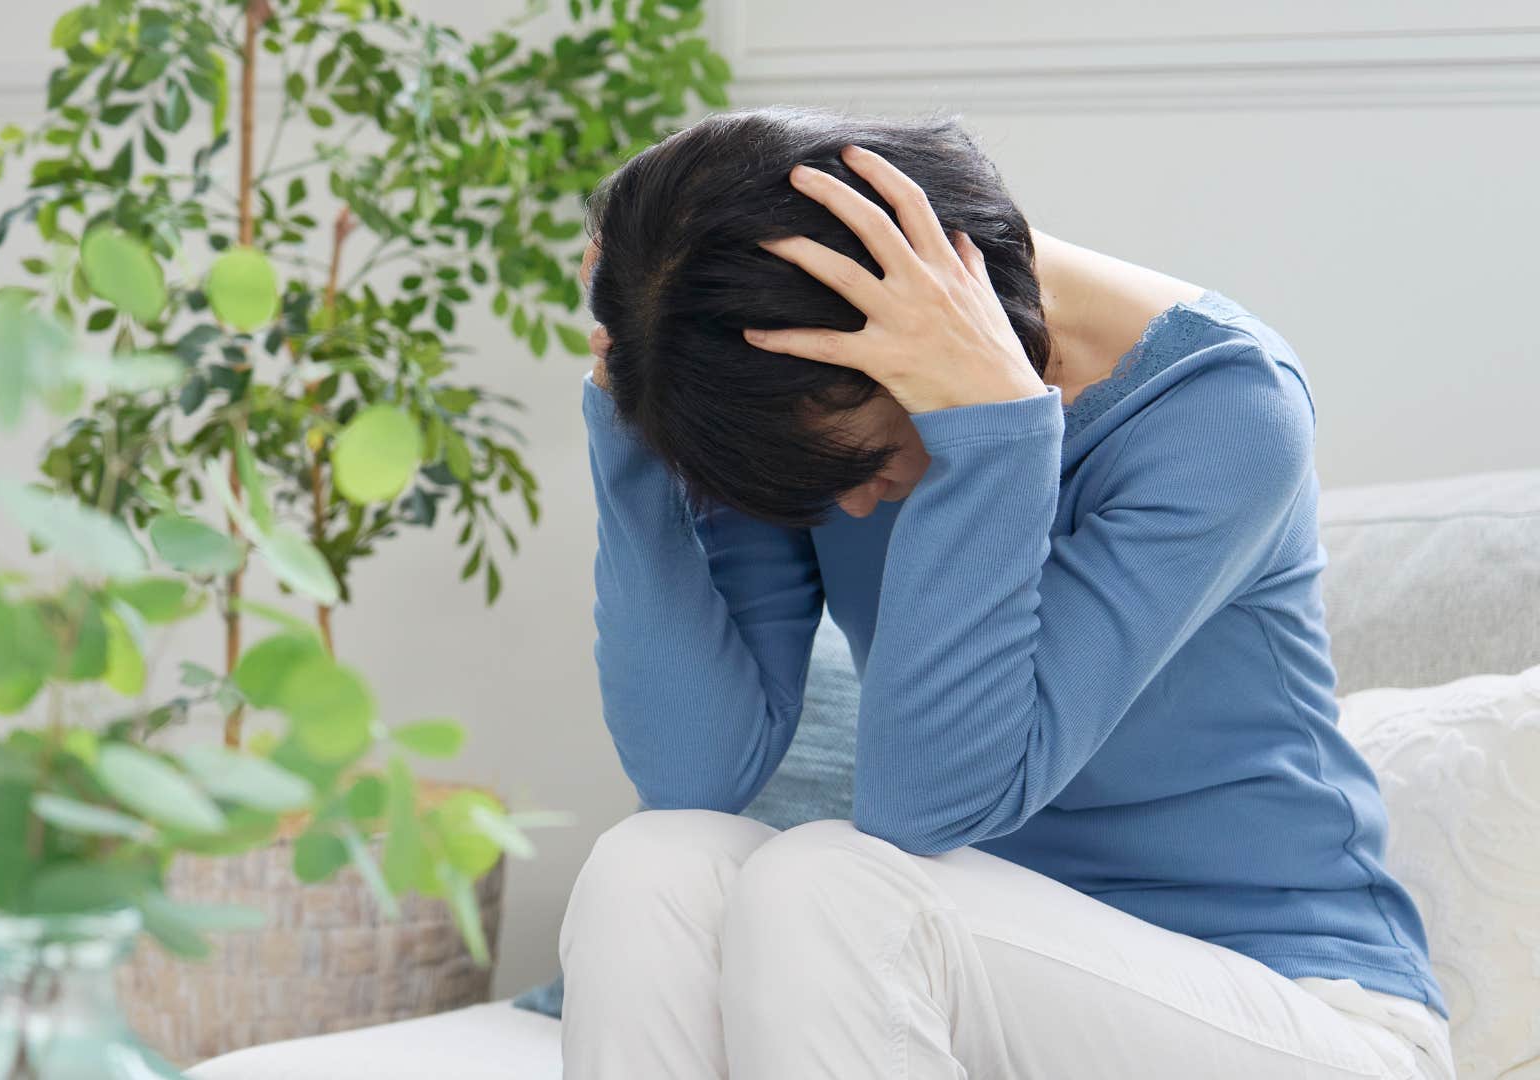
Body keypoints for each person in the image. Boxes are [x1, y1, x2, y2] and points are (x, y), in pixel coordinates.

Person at [560, 107, 1453, 1080]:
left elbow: (924, 810)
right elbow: (697, 776)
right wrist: (634, 422)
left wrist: (993, 436)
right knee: (652, 867)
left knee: (832, 882)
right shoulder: (797, 407)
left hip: (1293, 1011)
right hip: (951, 986)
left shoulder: (1224, 405)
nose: (853, 503)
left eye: (868, 458)